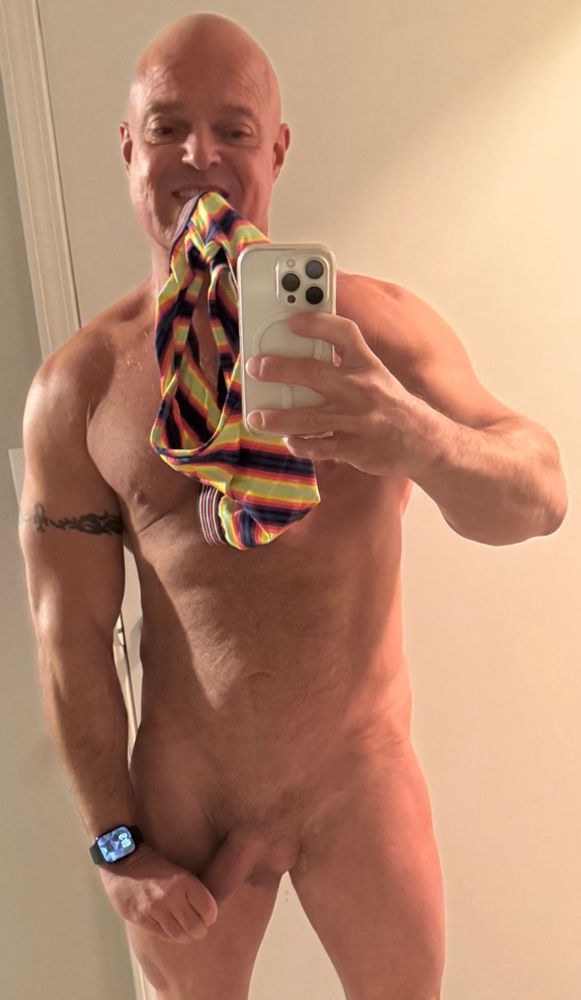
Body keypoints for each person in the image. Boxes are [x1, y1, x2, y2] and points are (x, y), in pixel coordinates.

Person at [17, 12, 568, 1000]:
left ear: (276, 149)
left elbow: (538, 498)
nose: (199, 154)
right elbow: (71, 635)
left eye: (232, 129)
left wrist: (411, 435)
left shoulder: (376, 334)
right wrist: (114, 846)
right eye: (167, 128)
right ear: (127, 148)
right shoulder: (80, 389)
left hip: (359, 778)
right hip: (185, 796)